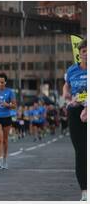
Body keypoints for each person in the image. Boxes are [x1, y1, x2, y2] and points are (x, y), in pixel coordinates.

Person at [63, 39, 87, 201]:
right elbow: (66, 85)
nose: (86, 54)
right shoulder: (72, 70)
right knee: (81, 152)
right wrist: (66, 93)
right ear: (79, 54)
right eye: (83, 51)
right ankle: (85, 191)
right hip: (75, 110)